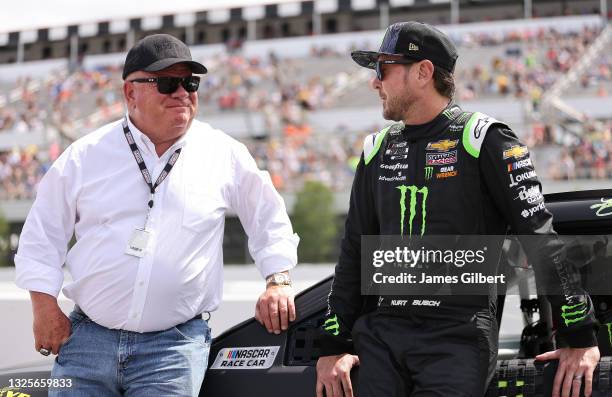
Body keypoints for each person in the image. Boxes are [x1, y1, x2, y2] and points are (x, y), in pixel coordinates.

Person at [315, 22, 600, 397]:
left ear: (423, 72)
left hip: (456, 336)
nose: (374, 82)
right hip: (381, 336)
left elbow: (540, 238)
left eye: (383, 69)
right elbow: (354, 252)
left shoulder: (484, 139)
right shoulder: (376, 149)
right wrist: (333, 343)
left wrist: (578, 332)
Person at [15, 34, 299, 396]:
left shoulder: (224, 154)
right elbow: (42, 235)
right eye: (167, 82)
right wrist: (43, 307)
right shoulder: (84, 156)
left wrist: (278, 281)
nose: (182, 92)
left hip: (173, 349)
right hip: (88, 341)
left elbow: (268, 217)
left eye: (190, 82)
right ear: (130, 93)